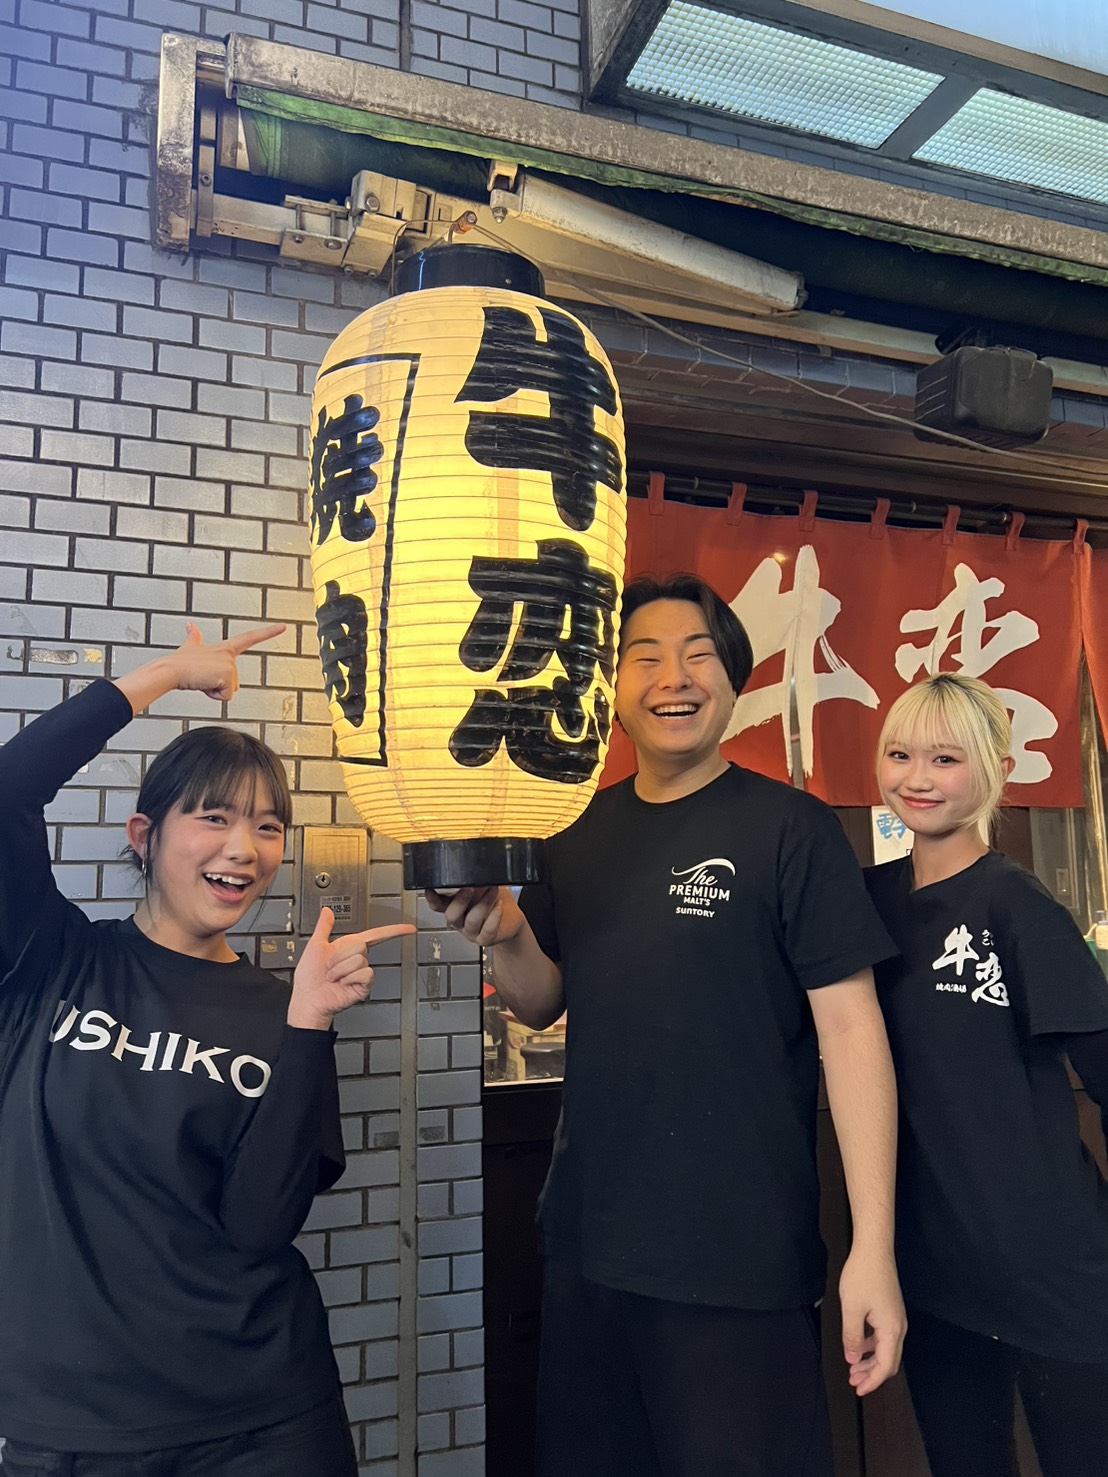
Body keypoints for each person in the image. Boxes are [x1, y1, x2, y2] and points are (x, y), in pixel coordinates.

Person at [428, 573, 906, 1477]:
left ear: (734, 680)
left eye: (697, 656)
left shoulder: (790, 829)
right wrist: (507, 930)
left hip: (737, 1258)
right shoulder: (577, 831)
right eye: (643, 658)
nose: (672, 678)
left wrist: (871, 1248)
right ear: (612, 691)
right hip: (589, 1245)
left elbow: (852, 1033)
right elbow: (542, 999)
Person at [0, 623, 413, 1476]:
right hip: (73, 1428)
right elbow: (9, 786)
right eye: (214, 816)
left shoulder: (278, 1011)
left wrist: (308, 1023)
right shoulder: (52, 957)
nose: (243, 848)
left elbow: (260, 1224)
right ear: (143, 834)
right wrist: (165, 675)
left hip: (264, 1420)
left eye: (267, 826)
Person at [866, 672, 1108, 1477]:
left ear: (996, 767)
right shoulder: (867, 901)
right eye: (900, 754)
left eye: (946, 758)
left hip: (1053, 1263)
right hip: (935, 1270)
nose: (918, 777)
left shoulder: (1016, 903)